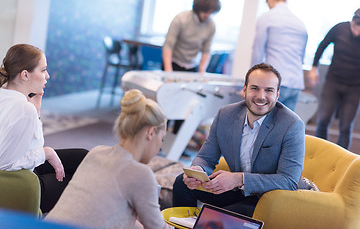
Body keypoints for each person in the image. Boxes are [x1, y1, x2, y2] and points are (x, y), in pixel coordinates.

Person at [172, 63, 305, 217]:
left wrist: (239, 179)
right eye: (255, 88)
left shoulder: (292, 125)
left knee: (224, 216)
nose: (261, 96)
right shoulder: (225, 115)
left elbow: (288, 181)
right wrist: (197, 171)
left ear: (277, 94)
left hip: (267, 197)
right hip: (236, 191)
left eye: (269, 90)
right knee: (182, 184)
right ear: (244, 90)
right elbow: (205, 157)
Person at [46, 89, 170, 229]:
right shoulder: (141, 174)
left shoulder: (96, 153)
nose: (159, 148)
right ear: (151, 132)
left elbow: (110, 215)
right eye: (162, 139)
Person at [0, 44, 88, 213]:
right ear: (25, 75)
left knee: (84, 158)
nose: (47, 76)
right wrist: (46, 153)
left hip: (20, 167)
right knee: (83, 182)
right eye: (43, 70)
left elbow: (26, 145)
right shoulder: (23, 109)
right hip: (17, 181)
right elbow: (5, 162)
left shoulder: (7, 96)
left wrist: (36, 111)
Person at [308, 8, 360, 149]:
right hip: (333, 82)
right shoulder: (339, 29)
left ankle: (343, 161)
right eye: (356, 27)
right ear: (352, 21)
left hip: (354, 88)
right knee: (323, 119)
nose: (357, 32)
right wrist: (313, 68)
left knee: (345, 126)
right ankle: (318, 153)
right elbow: (322, 45)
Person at [251, 0, 308, 111]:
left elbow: (258, 51)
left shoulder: (267, 17)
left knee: (262, 125)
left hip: (274, 83)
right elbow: (302, 57)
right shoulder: (300, 23)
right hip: (295, 84)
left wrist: (251, 84)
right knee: (285, 127)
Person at [162, 0, 221, 73]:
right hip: (173, 63)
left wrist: (202, 70)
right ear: (198, 9)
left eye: (211, 12)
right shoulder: (180, 19)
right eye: (205, 11)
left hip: (192, 66)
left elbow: (206, 50)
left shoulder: (211, 25)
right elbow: (168, 45)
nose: (208, 15)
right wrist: (168, 70)